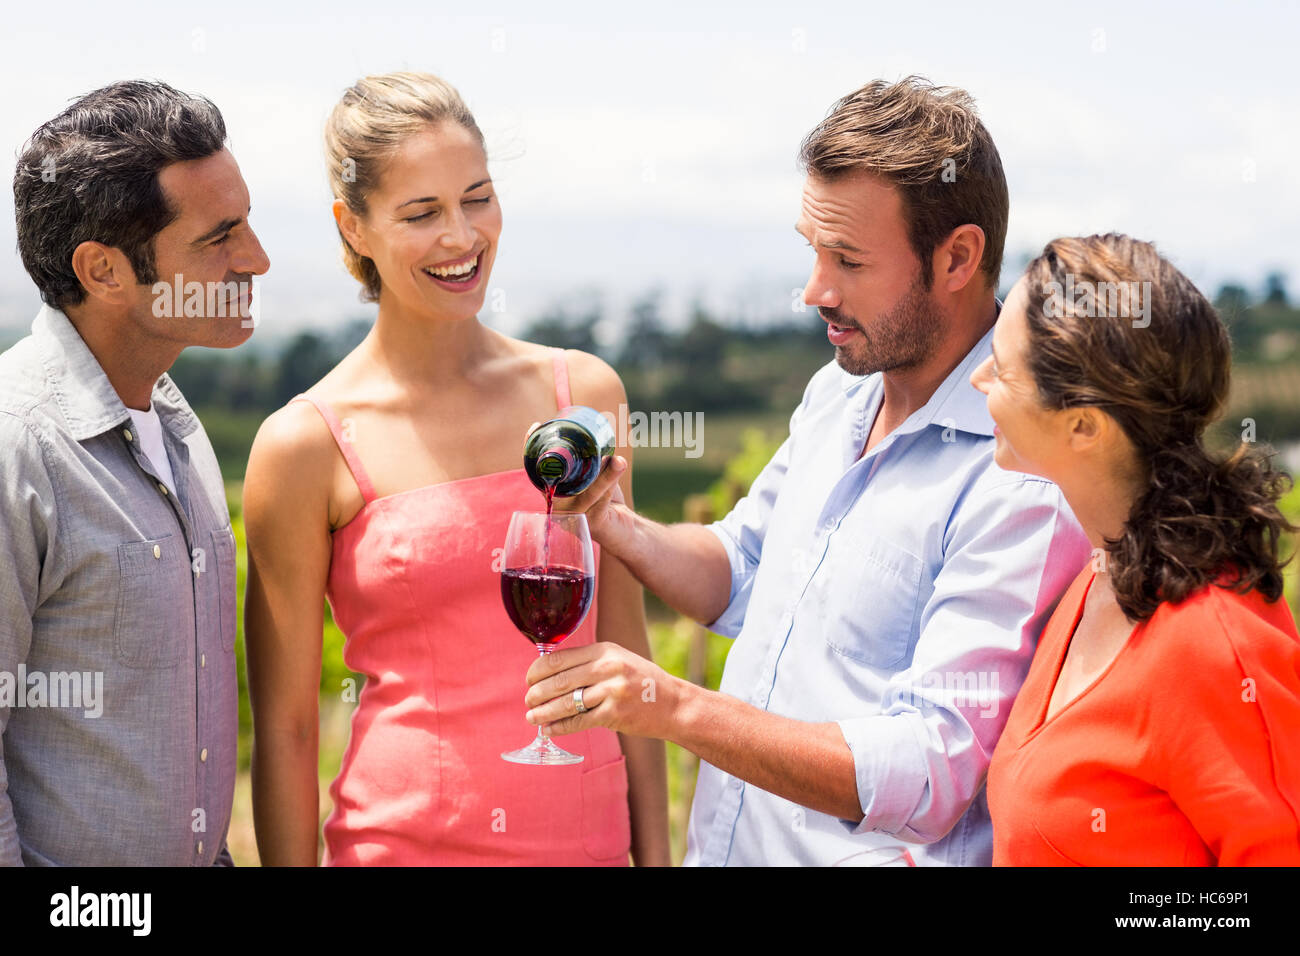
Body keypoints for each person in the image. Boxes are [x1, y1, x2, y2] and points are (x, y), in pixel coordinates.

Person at [523, 77, 1092, 865]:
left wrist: (671, 705)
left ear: (957, 256)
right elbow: (745, 570)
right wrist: (616, 524)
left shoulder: (1023, 475)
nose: (814, 290)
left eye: (849, 261)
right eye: (813, 250)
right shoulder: (839, 392)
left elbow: (933, 771)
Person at [243, 72, 669, 866]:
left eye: (477, 198)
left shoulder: (583, 397)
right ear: (354, 227)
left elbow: (627, 654)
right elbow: (289, 730)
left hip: (588, 841)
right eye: (421, 213)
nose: (461, 236)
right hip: (404, 845)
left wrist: (657, 860)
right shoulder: (305, 444)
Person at [0, 80, 268, 865]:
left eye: (246, 223)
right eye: (219, 237)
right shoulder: (17, 450)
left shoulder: (178, 429)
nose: (255, 259)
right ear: (105, 271)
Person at [974, 234, 1300, 865]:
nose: (981, 379)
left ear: (1083, 427)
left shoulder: (1215, 645)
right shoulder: (1096, 575)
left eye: (1002, 367)